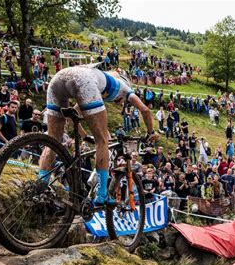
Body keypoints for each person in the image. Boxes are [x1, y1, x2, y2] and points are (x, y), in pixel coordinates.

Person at [39, 65, 156, 206]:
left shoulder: (100, 79)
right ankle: (102, 194)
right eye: (122, 102)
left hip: (58, 78)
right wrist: (151, 133)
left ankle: (40, 184)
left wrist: (84, 136)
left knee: (53, 141)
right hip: (83, 80)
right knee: (102, 141)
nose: (121, 103)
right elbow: (145, 110)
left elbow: (73, 115)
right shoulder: (124, 88)